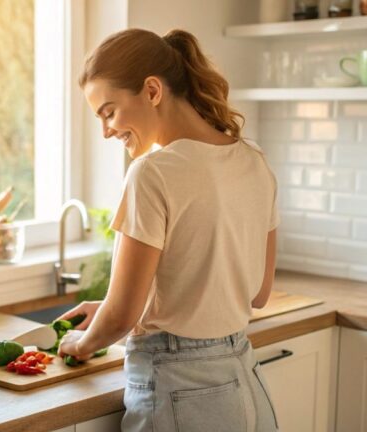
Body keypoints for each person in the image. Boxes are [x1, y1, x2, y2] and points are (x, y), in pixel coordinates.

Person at [56, 28, 280, 431]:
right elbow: (260, 292)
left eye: (109, 111)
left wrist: (82, 342)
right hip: (246, 382)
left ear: (153, 90)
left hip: (181, 390)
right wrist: (106, 311)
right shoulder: (254, 160)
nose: (106, 130)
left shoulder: (151, 173)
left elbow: (122, 315)